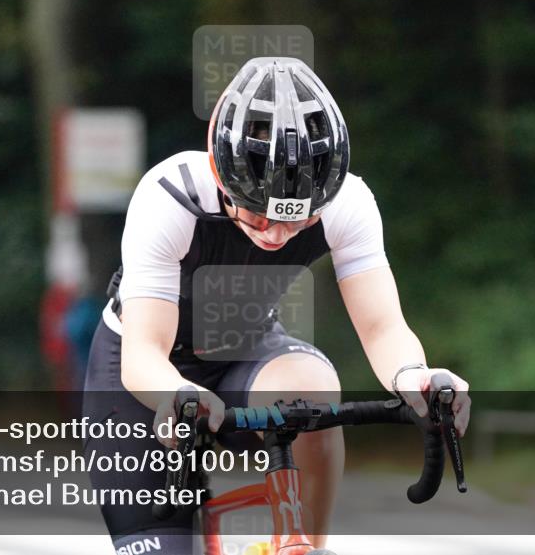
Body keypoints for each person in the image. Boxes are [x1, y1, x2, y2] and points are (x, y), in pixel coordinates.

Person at [82, 56, 470, 553]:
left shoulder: (347, 202)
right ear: (223, 176)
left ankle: (307, 545)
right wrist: (179, 394)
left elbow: (382, 329)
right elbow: (144, 355)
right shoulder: (170, 196)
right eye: (260, 215)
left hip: (245, 349)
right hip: (141, 370)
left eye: (298, 221)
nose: (278, 233)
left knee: (312, 391)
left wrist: (414, 376)